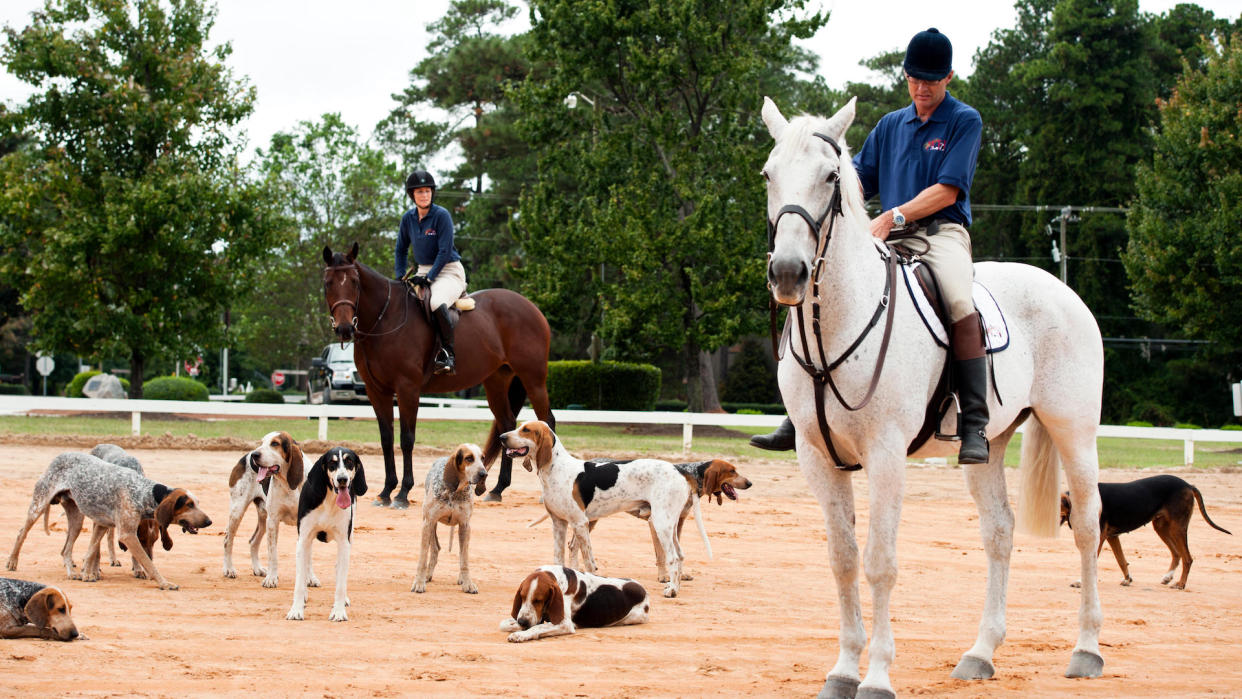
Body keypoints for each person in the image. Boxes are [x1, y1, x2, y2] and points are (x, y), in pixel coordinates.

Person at [751, 27, 990, 465]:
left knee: (958, 298)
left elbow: (949, 190)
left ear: (949, 78)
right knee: (818, 286)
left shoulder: (963, 121)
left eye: (932, 80)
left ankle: (974, 420)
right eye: (915, 78)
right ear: (905, 76)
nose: (922, 88)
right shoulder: (890, 125)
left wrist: (893, 216)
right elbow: (854, 181)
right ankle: (798, 411)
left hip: (940, 235)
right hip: (885, 236)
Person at [395, 170, 467, 375]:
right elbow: (400, 249)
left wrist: (429, 277)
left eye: (427, 191)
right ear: (412, 195)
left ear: (432, 193)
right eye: (420, 192)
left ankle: (448, 355)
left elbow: (445, 251)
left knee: (435, 302)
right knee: (403, 304)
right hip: (422, 270)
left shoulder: (441, 216)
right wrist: (400, 276)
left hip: (449, 270)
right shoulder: (407, 219)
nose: (424, 195)